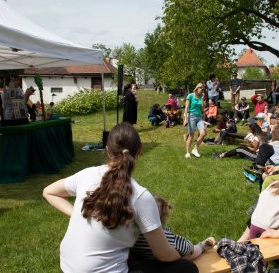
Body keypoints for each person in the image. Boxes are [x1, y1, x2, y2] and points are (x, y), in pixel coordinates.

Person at [42, 123, 198, 273]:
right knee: (187, 269)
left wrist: (78, 213)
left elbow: (48, 192)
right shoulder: (141, 197)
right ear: (140, 150)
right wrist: (183, 258)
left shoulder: (86, 174)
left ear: (107, 150)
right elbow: (164, 255)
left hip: (67, 268)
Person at [131, 196, 215, 261]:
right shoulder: (163, 236)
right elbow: (186, 248)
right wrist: (191, 246)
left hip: (142, 261)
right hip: (162, 263)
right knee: (188, 255)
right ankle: (202, 246)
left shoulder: (132, 233)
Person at [238, 170, 279, 241]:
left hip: (254, 222)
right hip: (269, 227)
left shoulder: (275, 184)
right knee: (265, 250)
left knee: (253, 248)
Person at [184, 83, 206, 158]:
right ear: (197, 88)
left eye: (203, 90)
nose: (202, 91)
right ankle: (187, 152)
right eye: (201, 89)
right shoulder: (190, 95)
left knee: (203, 133)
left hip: (199, 116)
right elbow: (186, 107)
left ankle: (195, 149)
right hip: (191, 116)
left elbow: (202, 109)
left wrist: (203, 99)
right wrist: (185, 119)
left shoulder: (201, 97)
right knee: (191, 136)